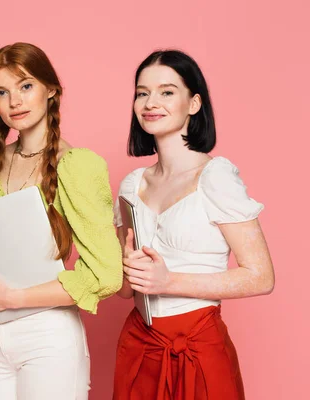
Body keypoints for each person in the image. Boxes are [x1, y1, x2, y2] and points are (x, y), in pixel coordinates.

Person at [0, 42, 123, 400]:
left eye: (26, 86)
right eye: (2, 92)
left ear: (51, 90)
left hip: (45, 337)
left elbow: (106, 276)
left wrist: (14, 298)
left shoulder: (78, 165)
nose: (14, 101)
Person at [113, 50, 275, 399]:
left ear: (194, 103)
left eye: (167, 91)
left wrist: (169, 281)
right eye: (142, 93)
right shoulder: (131, 183)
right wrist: (122, 266)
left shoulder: (215, 177)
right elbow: (126, 290)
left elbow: (262, 277)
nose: (150, 102)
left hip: (197, 344)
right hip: (140, 344)